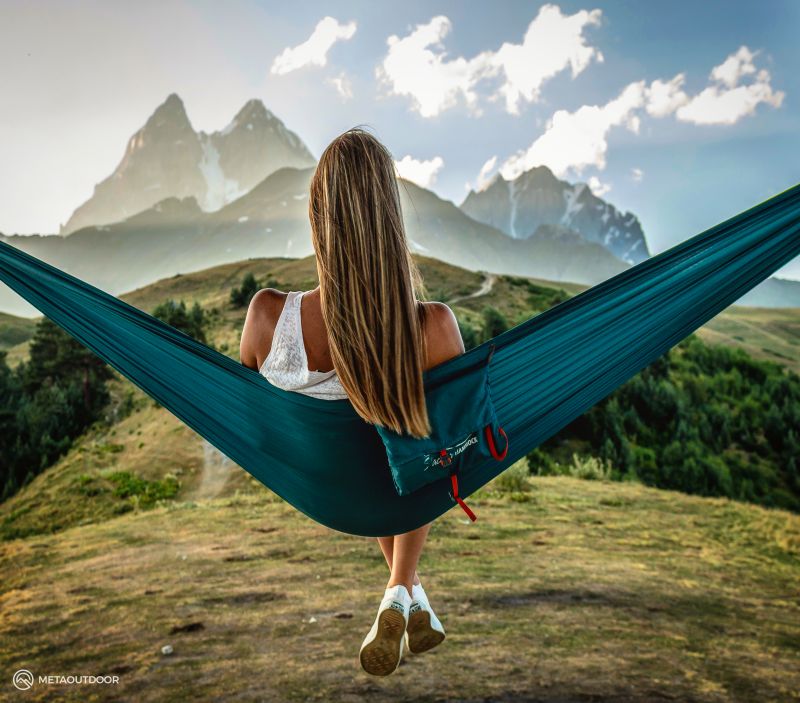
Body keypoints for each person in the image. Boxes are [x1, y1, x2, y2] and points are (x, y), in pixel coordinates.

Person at [239, 127, 465, 676]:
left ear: (318, 219)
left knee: (376, 460)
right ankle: (399, 590)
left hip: (326, 488)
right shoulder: (432, 328)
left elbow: (245, 409)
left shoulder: (269, 317)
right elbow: (453, 442)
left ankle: (405, 595)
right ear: (391, 218)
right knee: (415, 448)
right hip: (395, 487)